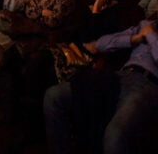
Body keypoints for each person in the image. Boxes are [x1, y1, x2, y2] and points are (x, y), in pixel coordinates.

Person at [45, 11, 158, 154]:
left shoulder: (149, 31)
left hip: (148, 84)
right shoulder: (145, 25)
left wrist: (151, 35)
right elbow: (101, 44)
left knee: (115, 135)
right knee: (53, 96)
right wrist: (135, 38)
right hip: (119, 76)